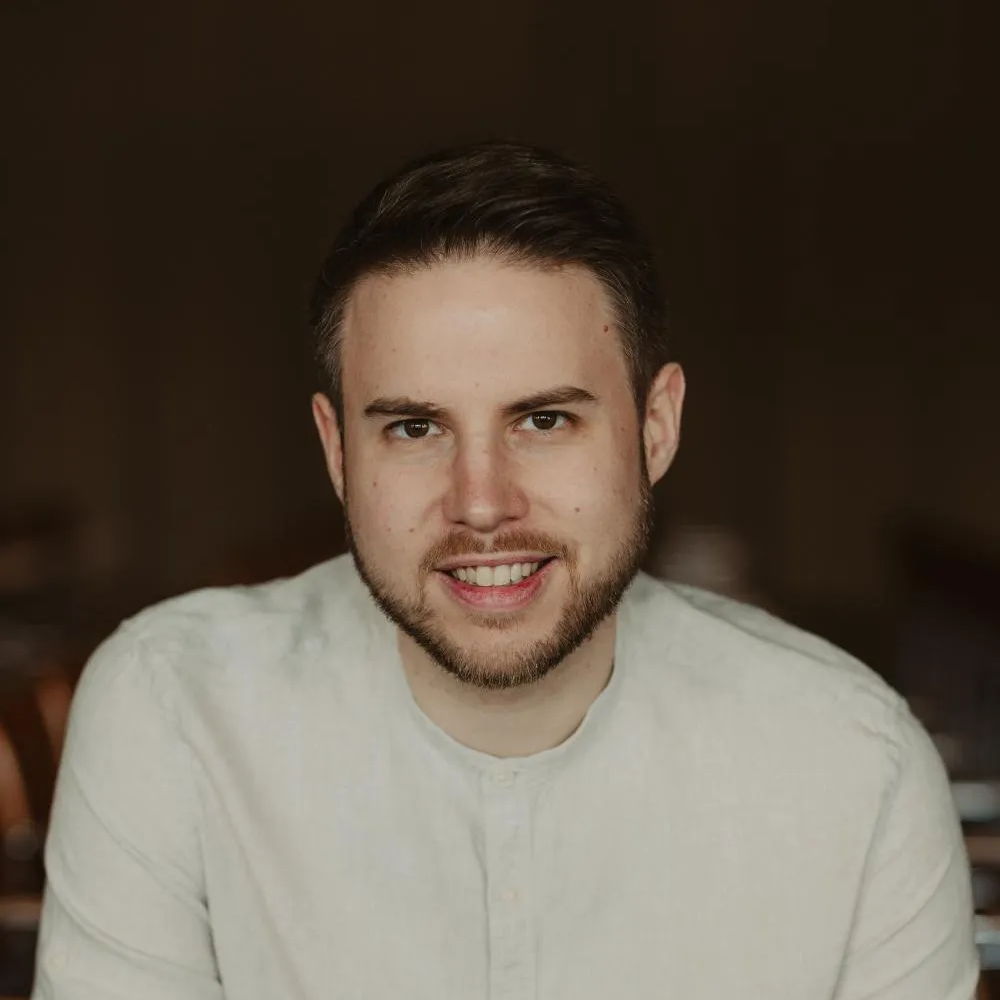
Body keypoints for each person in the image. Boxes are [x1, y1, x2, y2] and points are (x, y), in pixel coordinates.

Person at [32, 141, 980, 999]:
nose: (481, 503)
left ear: (656, 427)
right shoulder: (171, 714)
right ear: (336, 450)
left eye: (544, 420)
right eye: (415, 427)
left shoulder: (856, 769)